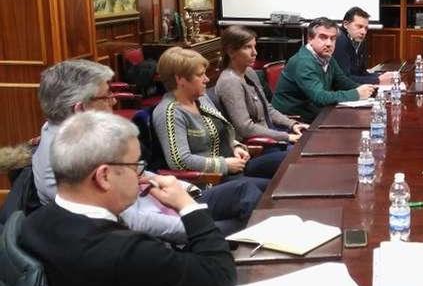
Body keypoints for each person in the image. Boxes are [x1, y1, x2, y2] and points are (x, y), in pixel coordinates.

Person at [20, 111, 236, 286]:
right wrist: (188, 206)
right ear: (104, 176)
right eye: (136, 166)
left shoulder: (34, 223)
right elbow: (221, 276)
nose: (141, 176)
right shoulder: (123, 253)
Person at [32, 60, 259, 241]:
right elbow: (129, 222)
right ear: (80, 108)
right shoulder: (65, 160)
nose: (113, 102)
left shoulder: (76, 133)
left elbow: (139, 172)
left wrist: (187, 190)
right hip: (160, 228)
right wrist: (194, 221)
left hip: (167, 201)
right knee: (249, 225)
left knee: (247, 191)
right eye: (106, 96)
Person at [153, 47, 283, 181]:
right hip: (210, 180)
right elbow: (180, 161)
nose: (207, 79)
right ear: (180, 79)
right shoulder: (169, 112)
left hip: (233, 166)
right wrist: (224, 164)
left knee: (285, 160)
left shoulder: (201, 98)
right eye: (200, 75)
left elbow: (220, 134)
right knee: (264, 188)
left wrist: (235, 147)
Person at [215, 25, 309, 143]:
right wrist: (286, 137)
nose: (254, 52)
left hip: (270, 133)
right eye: (247, 47)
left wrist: (292, 125)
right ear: (231, 51)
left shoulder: (249, 72)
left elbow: (267, 109)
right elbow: (245, 128)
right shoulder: (230, 82)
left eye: (254, 46)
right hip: (256, 146)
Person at [272, 17, 374, 122]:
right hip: (293, 121)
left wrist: (371, 90)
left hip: (315, 114)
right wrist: (357, 94)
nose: (329, 44)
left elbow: (343, 82)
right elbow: (320, 97)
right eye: (323, 38)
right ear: (310, 39)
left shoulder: (326, 57)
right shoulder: (303, 62)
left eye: (333, 38)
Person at [332, 7, 396, 85]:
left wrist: (381, 76)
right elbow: (344, 79)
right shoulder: (340, 40)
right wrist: (377, 80)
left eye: (366, 28)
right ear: (346, 24)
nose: (363, 32)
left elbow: (361, 73)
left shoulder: (360, 41)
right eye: (359, 26)